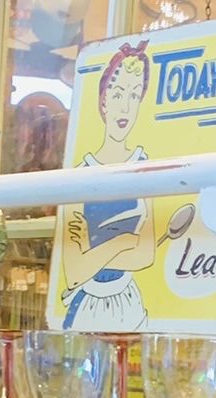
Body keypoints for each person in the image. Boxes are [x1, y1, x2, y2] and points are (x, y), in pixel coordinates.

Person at [59, 41, 156, 331]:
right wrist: (123, 241)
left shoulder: (147, 169)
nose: (125, 106)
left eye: (134, 95)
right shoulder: (78, 177)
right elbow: (74, 271)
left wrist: (94, 250)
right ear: (103, 100)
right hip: (88, 304)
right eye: (117, 94)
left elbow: (146, 255)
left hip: (129, 302)